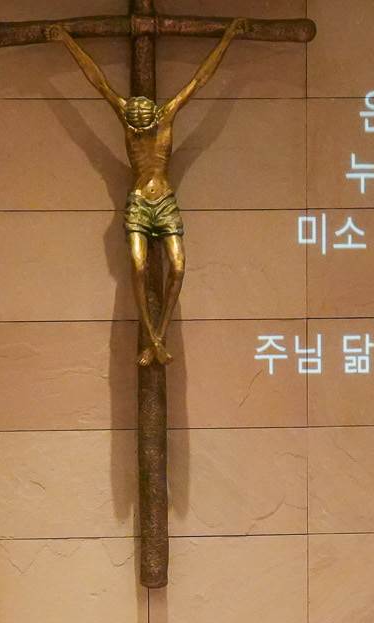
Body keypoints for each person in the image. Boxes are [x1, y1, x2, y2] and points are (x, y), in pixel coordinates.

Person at [45, 18, 250, 367]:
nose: (139, 127)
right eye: (134, 122)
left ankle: (160, 334)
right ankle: (153, 338)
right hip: (139, 203)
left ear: (154, 115)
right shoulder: (126, 117)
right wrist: (66, 41)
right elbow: (97, 80)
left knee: (179, 267)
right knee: (138, 266)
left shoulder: (167, 115)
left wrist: (228, 38)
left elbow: (200, 80)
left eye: (144, 121)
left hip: (165, 201)